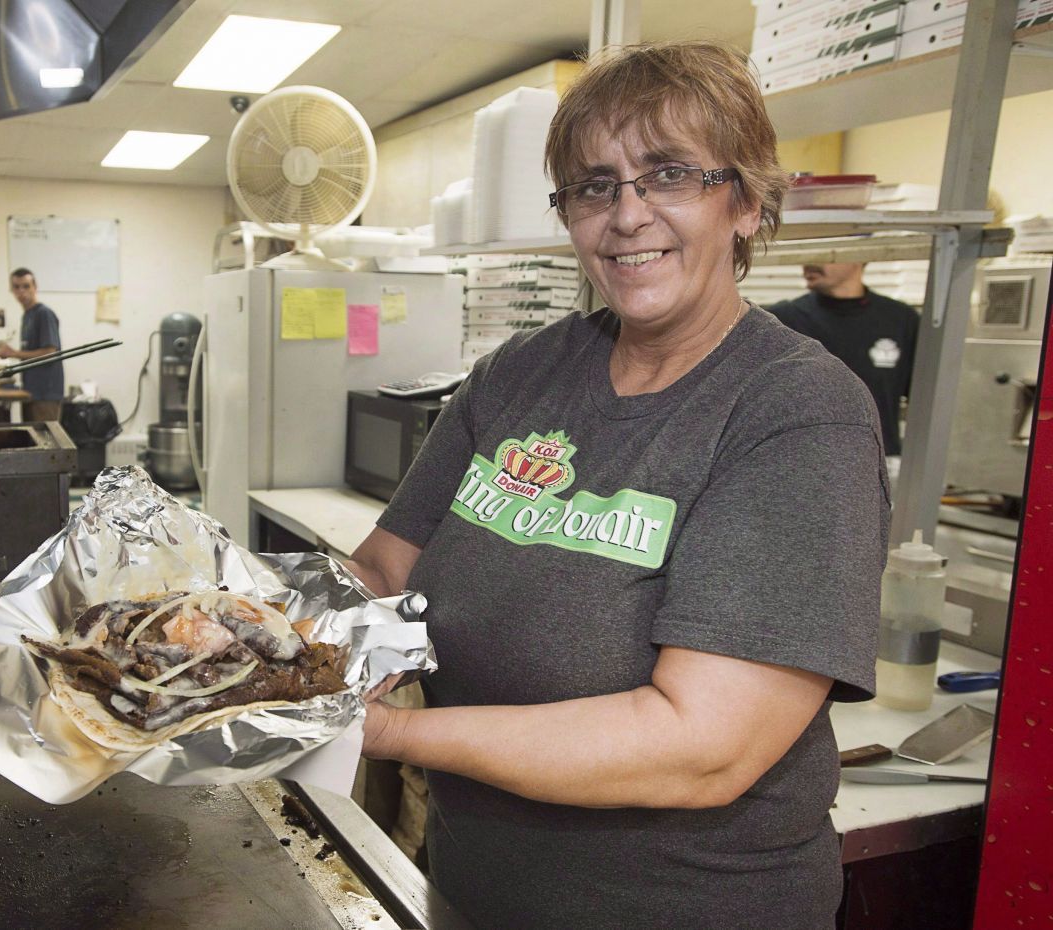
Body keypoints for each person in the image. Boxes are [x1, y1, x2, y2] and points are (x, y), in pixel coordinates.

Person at [346, 42, 889, 930]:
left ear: (746, 202)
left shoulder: (797, 411)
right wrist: (266, 648)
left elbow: (700, 747)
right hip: (477, 892)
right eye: (594, 186)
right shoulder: (520, 373)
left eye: (669, 175)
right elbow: (382, 568)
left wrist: (393, 735)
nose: (627, 215)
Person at [768, 262, 919, 455]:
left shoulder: (901, 320)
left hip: (877, 464)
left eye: (826, 254)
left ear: (860, 257)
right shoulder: (783, 320)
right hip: (803, 462)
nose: (810, 262)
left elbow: (925, 404)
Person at [0, 267, 64, 422]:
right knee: (32, 440)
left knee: (46, 442)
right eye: (16, 287)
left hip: (45, 393)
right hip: (30, 391)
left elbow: (50, 352)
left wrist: (13, 353)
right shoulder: (27, 316)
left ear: (35, 287)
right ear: (12, 290)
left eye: (26, 286)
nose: (22, 291)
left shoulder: (44, 313)